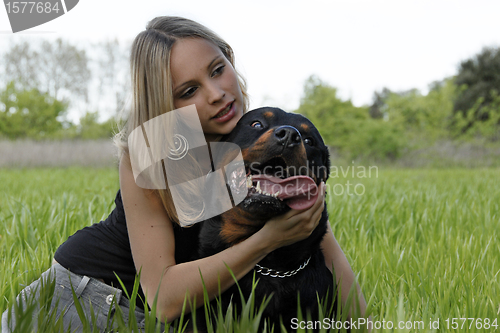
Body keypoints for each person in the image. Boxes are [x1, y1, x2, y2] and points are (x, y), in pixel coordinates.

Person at [2, 16, 368, 332]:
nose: (217, 94)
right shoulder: (150, 153)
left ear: (229, 58)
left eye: (217, 69)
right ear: (166, 103)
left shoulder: (254, 136)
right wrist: (267, 240)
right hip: (84, 297)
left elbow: (321, 241)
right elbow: (165, 300)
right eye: (189, 90)